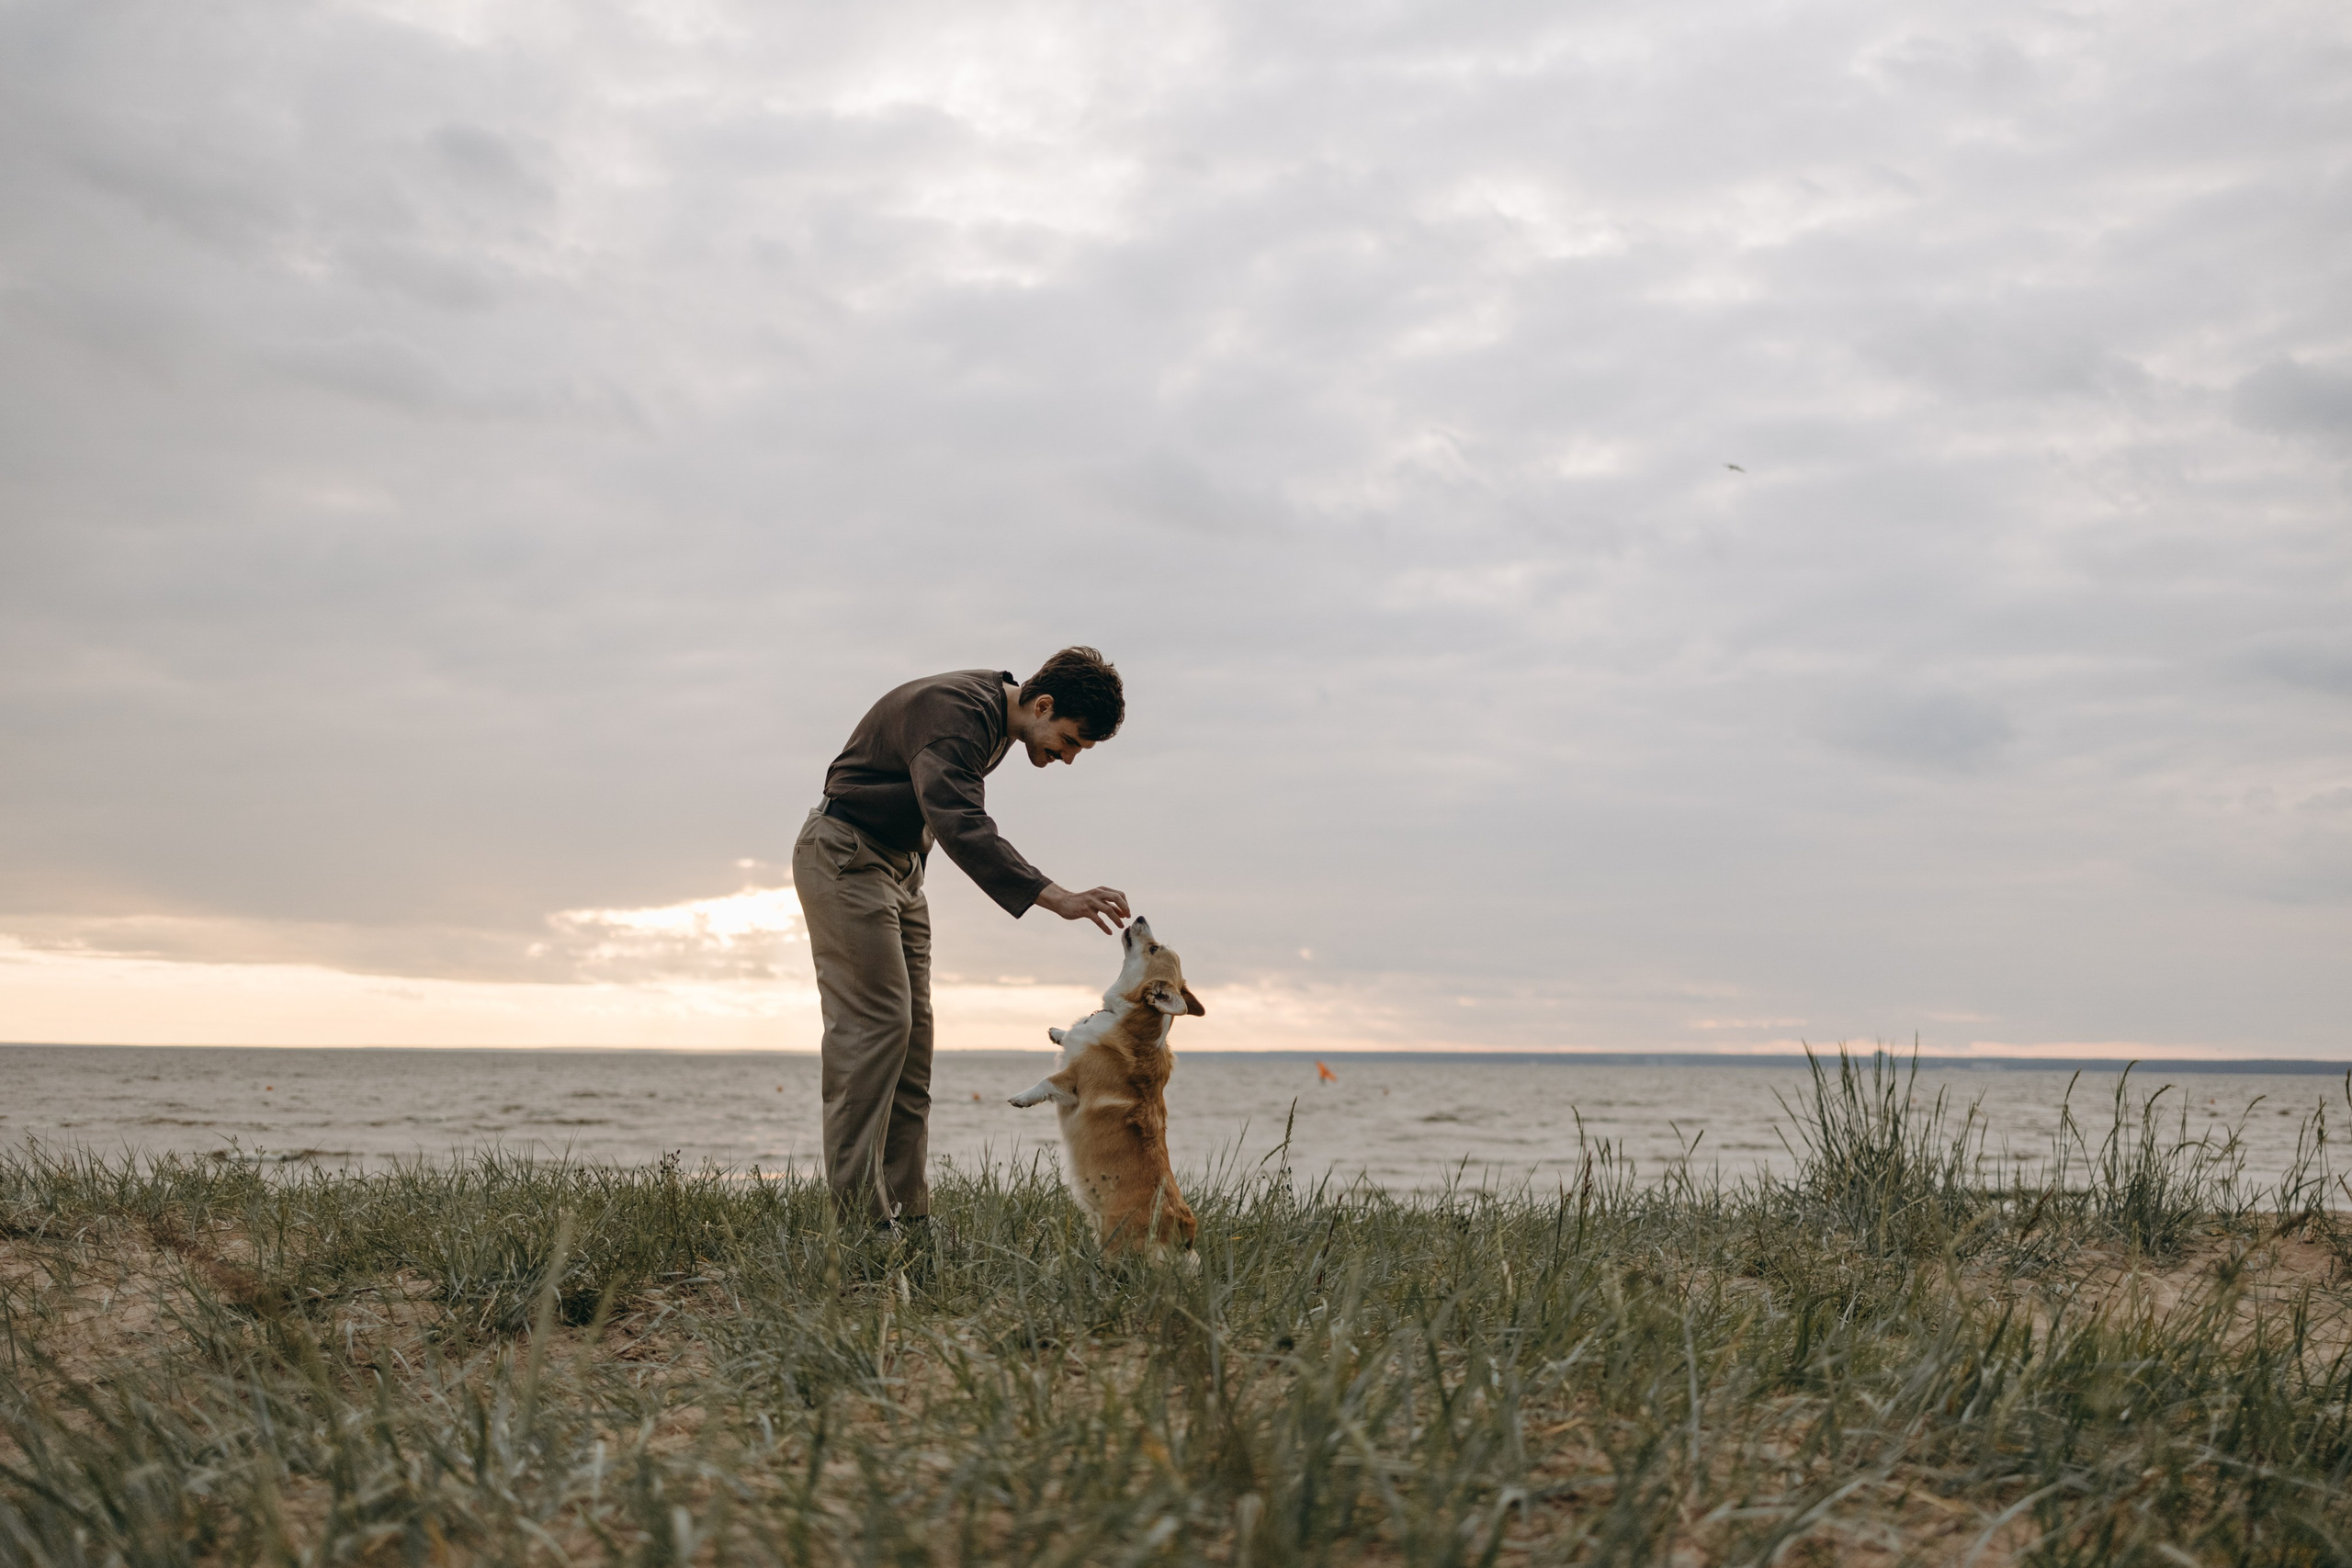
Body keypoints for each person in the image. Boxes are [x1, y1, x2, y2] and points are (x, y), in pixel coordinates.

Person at [794, 648, 1131, 1228]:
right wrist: (1056, 897)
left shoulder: (999, 713)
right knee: (875, 1031)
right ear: (1043, 705)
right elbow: (959, 821)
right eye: (1072, 740)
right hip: (846, 858)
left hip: (899, 870)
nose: (1070, 758)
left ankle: (907, 1220)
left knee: (913, 1044)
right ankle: (859, 1227)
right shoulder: (955, 714)